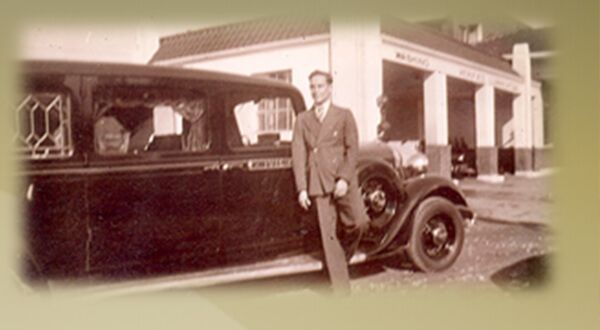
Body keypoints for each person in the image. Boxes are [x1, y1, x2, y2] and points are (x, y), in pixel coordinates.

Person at [291, 70, 369, 294]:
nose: (316, 91)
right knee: (329, 237)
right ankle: (342, 291)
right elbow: (298, 155)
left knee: (359, 222)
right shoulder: (303, 119)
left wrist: (344, 178)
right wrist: (302, 189)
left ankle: (339, 263)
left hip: (342, 180)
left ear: (330, 88)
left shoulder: (344, 115)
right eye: (312, 87)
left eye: (320, 86)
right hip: (317, 183)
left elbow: (353, 150)